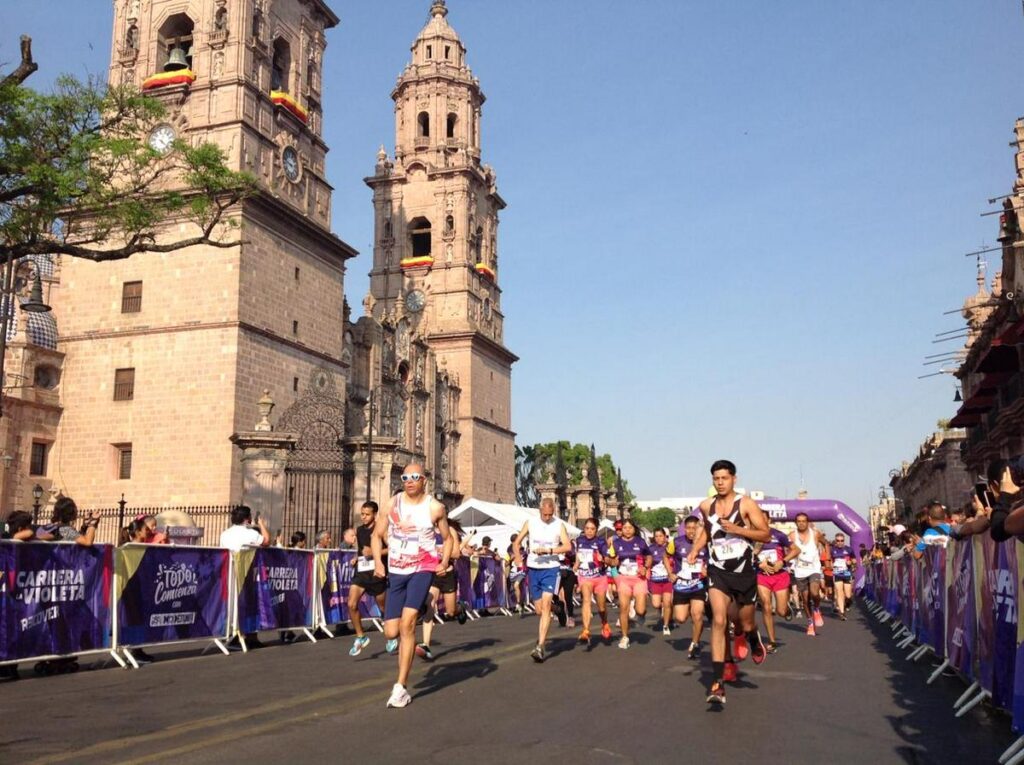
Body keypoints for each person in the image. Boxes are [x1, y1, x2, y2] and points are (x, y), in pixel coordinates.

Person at [689, 460, 771, 706]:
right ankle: (717, 683)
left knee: (745, 622)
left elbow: (765, 534)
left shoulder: (745, 504)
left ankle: (753, 638)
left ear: (734, 478)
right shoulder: (706, 506)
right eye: (716, 478)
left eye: (724, 478)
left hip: (743, 571)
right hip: (718, 570)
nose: (720, 482)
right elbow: (706, 531)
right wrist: (695, 550)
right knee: (719, 619)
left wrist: (738, 529)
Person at [372, 464, 450, 709]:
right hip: (396, 570)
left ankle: (401, 687)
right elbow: (377, 535)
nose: (409, 481)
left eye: (415, 477)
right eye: (405, 477)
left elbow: (447, 538)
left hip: (422, 568)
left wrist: (444, 561)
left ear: (424, 480)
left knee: (407, 625)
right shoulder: (391, 504)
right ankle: (426, 602)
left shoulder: (435, 507)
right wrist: (378, 562)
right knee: (390, 633)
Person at [512, 497, 572, 662]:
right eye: (544, 514)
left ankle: (540, 646)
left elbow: (568, 546)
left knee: (545, 607)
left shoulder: (558, 525)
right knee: (539, 610)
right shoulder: (530, 522)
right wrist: (517, 558)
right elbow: (516, 543)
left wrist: (549, 550)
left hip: (551, 569)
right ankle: (558, 608)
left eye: (550, 514)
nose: (547, 517)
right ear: (539, 510)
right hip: (533, 568)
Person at [417, 518, 467, 661]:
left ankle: (460, 608)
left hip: (447, 573)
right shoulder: (428, 530)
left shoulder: (450, 530)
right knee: (429, 605)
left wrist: (442, 551)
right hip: (432, 573)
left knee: (450, 612)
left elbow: (457, 553)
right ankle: (425, 645)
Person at [348, 501, 392, 657]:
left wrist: (373, 553)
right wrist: (356, 558)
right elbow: (361, 551)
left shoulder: (381, 529)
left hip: (377, 573)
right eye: (362, 514)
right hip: (361, 573)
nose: (364, 517)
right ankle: (361, 637)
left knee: (383, 608)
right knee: (351, 604)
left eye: (367, 514)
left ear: (374, 514)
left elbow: (392, 548)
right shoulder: (359, 530)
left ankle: (391, 636)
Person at [608, 517, 650, 649]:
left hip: (638, 578)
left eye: (629, 528)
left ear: (634, 529)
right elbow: (611, 559)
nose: (627, 530)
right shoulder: (616, 543)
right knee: (624, 608)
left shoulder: (640, 542)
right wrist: (613, 562)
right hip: (623, 578)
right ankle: (625, 637)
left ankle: (641, 615)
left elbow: (648, 557)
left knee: (640, 609)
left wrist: (645, 567)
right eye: (624, 528)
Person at [671, 515, 708, 660]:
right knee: (680, 618)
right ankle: (695, 638)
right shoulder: (676, 542)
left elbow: (712, 561)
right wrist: (670, 573)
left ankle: (695, 642)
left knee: (697, 615)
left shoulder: (705, 544)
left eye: (694, 528)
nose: (691, 531)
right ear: (684, 529)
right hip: (681, 585)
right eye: (689, 528)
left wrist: (707, 570)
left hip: (698, 584)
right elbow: (666, 557)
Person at [785, 513, 825, 636]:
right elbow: (787, 550)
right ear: (795, 522)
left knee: (814, 593)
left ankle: (817, 609)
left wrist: (826, 559)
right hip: (800, 570)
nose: (801, 523)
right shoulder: (792, 536)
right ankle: (810, 623)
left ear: (808, 522)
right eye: (799, 521)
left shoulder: (816, 533)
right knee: (805, 599)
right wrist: (788, 563)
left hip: (814, 568)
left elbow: (825, 543)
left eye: (803, 521)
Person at [573, 517, 611, 644]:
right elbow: (578, 556)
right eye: (587, 528)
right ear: (584, 529)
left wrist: (602, 559)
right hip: (585, 577)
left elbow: (608, 559)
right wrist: (576, 564)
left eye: (592, 529)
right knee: (586, 601)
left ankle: (604, 622)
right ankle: (585, 630)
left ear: (596, 530)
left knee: (601, 607)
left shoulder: (601, 542)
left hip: (599, 577)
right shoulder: (579, 540)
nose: (589, 531)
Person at [755, 525, 791, 652]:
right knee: (766, 605)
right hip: (762, 576)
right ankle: (772, 641)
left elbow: (795, 550)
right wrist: (758, 562)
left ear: (768, 520)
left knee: (781, 611)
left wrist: (783, 562)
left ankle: (787, 610)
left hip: (779, 575)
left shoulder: (779, 535)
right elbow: (748, 555)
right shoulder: (752, 535)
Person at [648, 527, 674, 636]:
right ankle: (662, 610)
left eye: (661, 536)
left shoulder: (670, 548)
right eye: (656, 536)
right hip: (655, 581)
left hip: (667, 580)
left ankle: (666, 625)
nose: (658, 538)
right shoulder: (650, 548)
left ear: (665, 537)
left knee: (667, 603)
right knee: (656, 604)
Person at [830, 533, 855, 620]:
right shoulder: (832, 550)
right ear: (835, 541)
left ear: (844, 541)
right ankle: (842, 612)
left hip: (847, 573)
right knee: (839, 592)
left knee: (848, 595)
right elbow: (830, 561)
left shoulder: (849, 549)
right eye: (838, 541)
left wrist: (851, 562)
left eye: (841, 540)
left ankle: (848, 602)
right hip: (837, 573)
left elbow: (854, 559)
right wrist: (831, 565)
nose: (840, 542)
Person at [557, 539, 577, 629]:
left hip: (568, 573)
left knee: (568, 596)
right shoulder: (554, 546)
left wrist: (567, 553)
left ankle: (571, 616)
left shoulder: (569, 547)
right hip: (557, 573)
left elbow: (575, 557)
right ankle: (560, 611)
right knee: (553, 595)